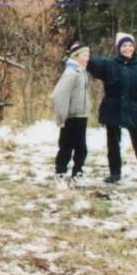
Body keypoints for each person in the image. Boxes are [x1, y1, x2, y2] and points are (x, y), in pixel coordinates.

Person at [87, 32, 137, 186]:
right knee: (113, 143)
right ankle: (115, 174)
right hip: (112, 110)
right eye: (124, 45)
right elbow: (91, 62)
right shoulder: (110, 65)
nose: (127, 48)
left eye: (130, 45)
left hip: (132, 112)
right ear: (119, 48)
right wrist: (79, 50)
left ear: (134, 48)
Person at [49, 40, 92, 185]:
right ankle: (60, 174)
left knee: (81, 147)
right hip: (71, 117)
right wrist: (62, 117)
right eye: (85, 55)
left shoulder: (81, 71)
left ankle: (77, 174)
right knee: (66, 147)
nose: (88, 58)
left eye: (88, 55)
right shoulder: (71, 73)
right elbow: (58, 96)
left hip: (81, 115)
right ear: (75, 57)